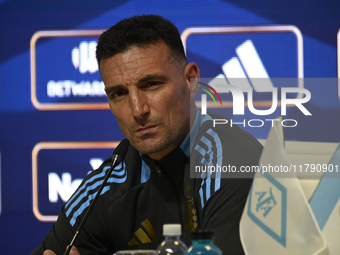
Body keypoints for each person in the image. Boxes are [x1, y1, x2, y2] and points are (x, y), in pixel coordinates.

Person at [31, 14, 262, 255]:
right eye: (119, 93)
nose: (138, 110)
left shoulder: (233, 160)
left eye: (151, 84)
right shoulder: (106, 184)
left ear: (191, 80)